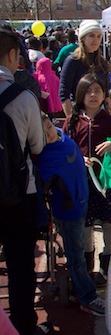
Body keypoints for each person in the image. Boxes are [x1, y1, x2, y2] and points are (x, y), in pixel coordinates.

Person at [63, 73, 111, 288]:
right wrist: (76, 158)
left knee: (109, 223)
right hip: (82, 183)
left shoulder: (109, 120)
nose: (93, 95)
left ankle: (106, 266)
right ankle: (88, 269)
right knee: (86, 226)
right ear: (80, 95)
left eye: (97, 91)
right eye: (88, 91)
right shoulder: (72, 121)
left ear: (104, 95)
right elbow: (63, 149)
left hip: (105, 182)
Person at [0, 29, 46, 335]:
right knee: (19, 267)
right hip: (18, 194)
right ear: (14, 56)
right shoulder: (22, 97)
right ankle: (23, 326)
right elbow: (37, 146)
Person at [37, 114, 105, 316]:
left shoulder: (61, 134)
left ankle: (80, 286)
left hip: (81, 203)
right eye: (43, 132)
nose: (49, 133)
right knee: (76, 257)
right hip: (68, 213)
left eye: (49, 126)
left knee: (80, 251)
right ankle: (87, 297)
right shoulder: (44, 156)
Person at [59, 20, 111, 116]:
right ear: (83, 38)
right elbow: (63, 94)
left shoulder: (102, 62)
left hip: (100, 116)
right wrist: (72, 120)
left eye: (99, 36)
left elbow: (106, 93)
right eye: (91, 35)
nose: (95, 39)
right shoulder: (72, 61)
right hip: (80, 114)